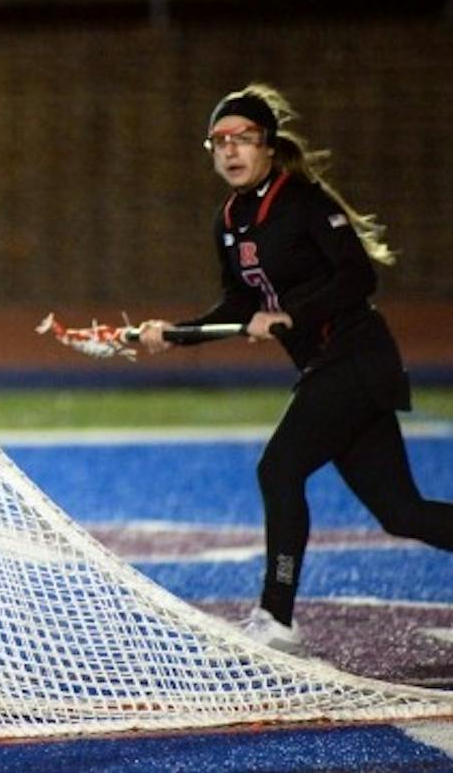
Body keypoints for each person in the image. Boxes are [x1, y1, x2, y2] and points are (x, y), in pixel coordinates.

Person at [136, 83, 453, 655]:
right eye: (219, 141)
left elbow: (359, 278)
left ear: (268, 146)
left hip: (357, 362)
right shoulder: (230, 219)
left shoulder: (304, 201)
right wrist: (172, 334)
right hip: (334, 371)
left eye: (244, 139)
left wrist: (288, 314)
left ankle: (276, 618)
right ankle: (277, 616)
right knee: (402, 515)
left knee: (278, 469)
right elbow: (236, 306)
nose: (230, 151)